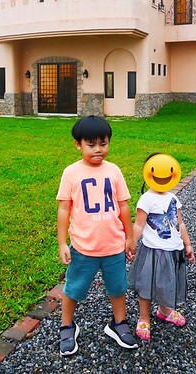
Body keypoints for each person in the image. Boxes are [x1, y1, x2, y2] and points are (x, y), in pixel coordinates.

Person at [56, 115, 138, 355]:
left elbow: (123, 206)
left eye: (103, 143)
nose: (98, 149)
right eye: (91, 144)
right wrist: (63, 242)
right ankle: (67, 325)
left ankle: (119, 323)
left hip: (113, 246)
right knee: (73, 289)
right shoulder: (71, 172)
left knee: (118, 287)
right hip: (83, 247)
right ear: (78, 145)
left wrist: (129, 236)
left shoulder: (114, 171)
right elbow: (63, 209)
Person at [127, 153, 196, 341]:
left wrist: (187, 244)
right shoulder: (146, 199)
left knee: (168, 283)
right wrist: (132, 243)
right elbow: (139, 224)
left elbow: (180, 224)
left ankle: (165, 311)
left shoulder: (173, 199)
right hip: (152, 250)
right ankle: (143, 318)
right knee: (146, 284)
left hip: (173, 250)